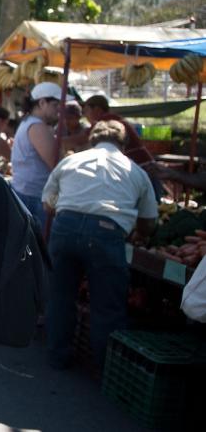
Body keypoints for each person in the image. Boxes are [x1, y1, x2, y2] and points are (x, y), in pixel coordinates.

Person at [42, 120, 157, 370]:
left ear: (92, 140)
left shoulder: (71, 161)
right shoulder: (135, 170)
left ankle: (57, 355)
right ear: (123, 144)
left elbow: (48, 202)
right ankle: (105, 366)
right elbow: (149, 219)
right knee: (107, 304)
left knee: (60, 295)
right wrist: (139, 234)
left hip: (65, 226)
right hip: (107, 232)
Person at [11, 82, 61, 227]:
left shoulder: (30, 122)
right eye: (55, 105)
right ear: (42, 103)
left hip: (29, 193)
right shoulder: (37, 126)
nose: (59, 110)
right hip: (35, 196)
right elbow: (56, 164)